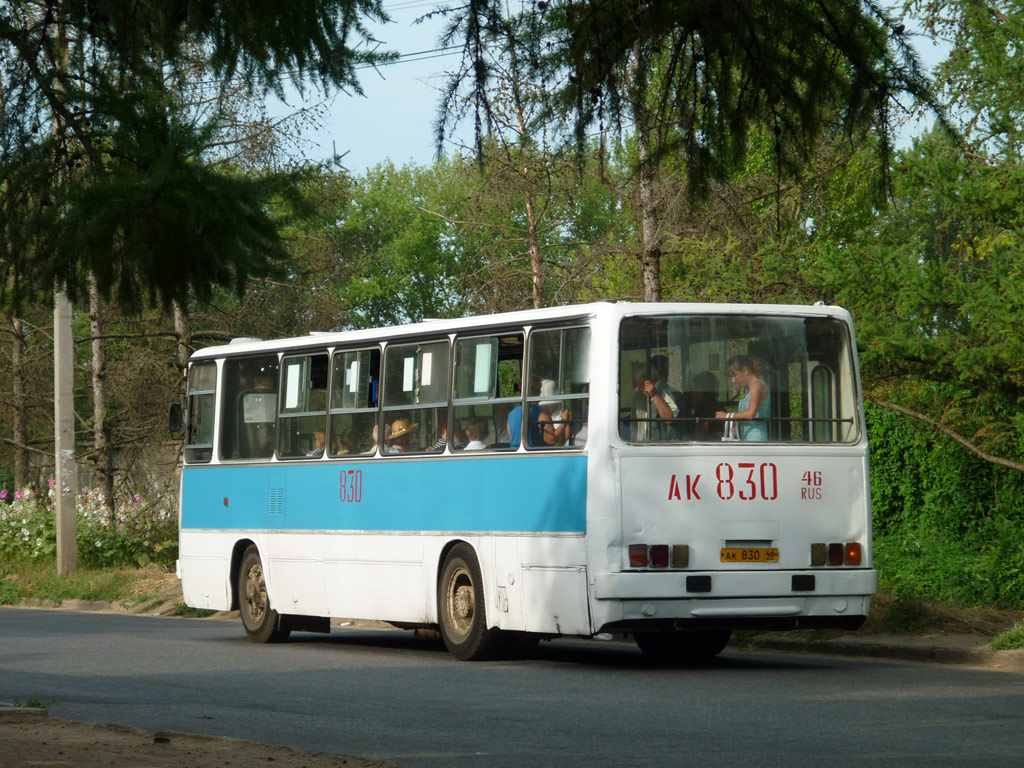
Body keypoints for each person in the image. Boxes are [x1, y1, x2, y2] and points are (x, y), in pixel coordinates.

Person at [715, 355, 771, 441]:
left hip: (756, 440)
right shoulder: (747, 389)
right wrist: (737, 427)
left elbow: (750, 414)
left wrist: (728, 416)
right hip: (747, 438)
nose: (733, 380)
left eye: (734, 375)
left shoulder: (757, 385)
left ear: (745, 370)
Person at [630, 362, 680, 441]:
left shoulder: (665, 391)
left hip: (663, 447)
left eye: (637, 384)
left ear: (647, 381)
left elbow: (670, 419)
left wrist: (655, 395)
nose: (636, 389)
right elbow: (634, 425)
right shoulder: (638, 396)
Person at [686, 370, 724, 441]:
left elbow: (701, 437)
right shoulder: (716, 406)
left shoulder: (707, 409)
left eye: (696, 389)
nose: (693, 394)